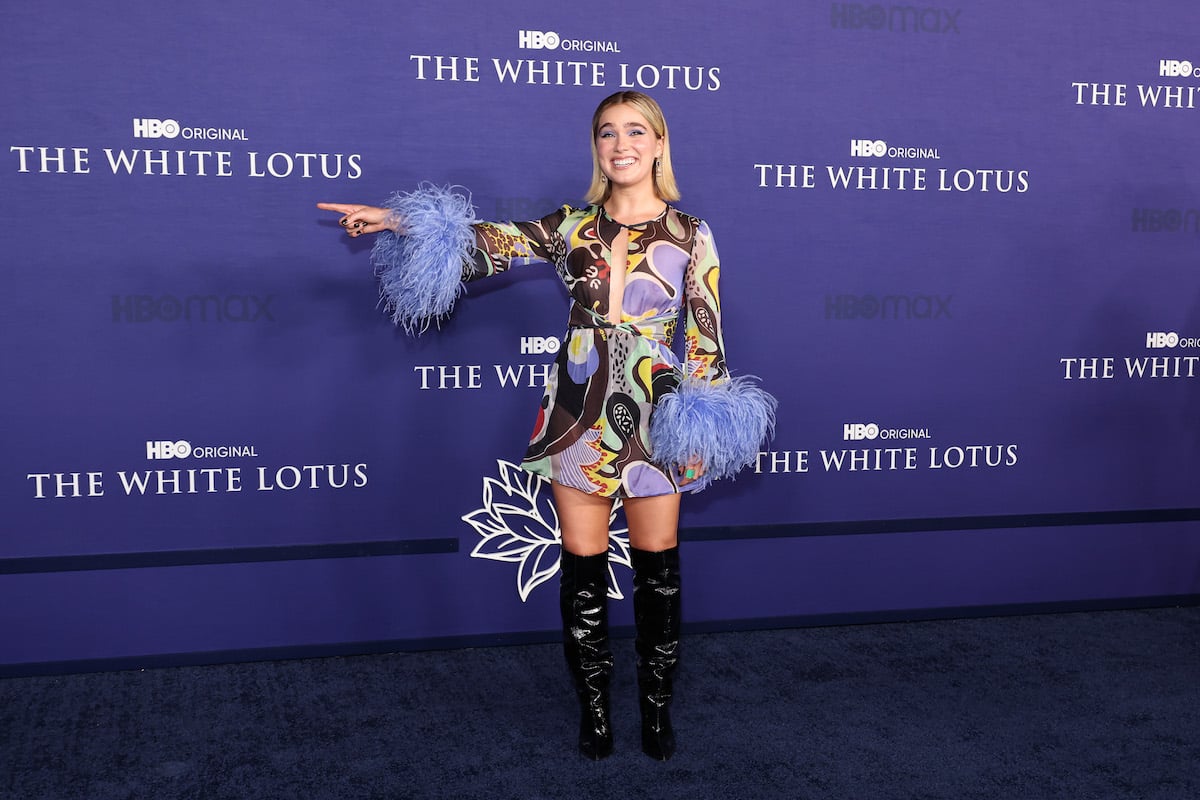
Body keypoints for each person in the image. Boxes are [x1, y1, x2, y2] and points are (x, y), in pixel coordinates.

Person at [318, 90, 774, 761]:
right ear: (596, 147)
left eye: (635, 132)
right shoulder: (569, 226)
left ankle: (655, 711)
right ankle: (594, 713)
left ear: (658, 144)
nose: (621, 145)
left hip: (658, 410)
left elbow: (706, 335)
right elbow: (489, 243)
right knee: (582, 569)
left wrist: (702, 425)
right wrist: (399, 221)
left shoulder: (692, 233)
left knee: (659, 570)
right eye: (607, 133)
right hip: (578, 411)